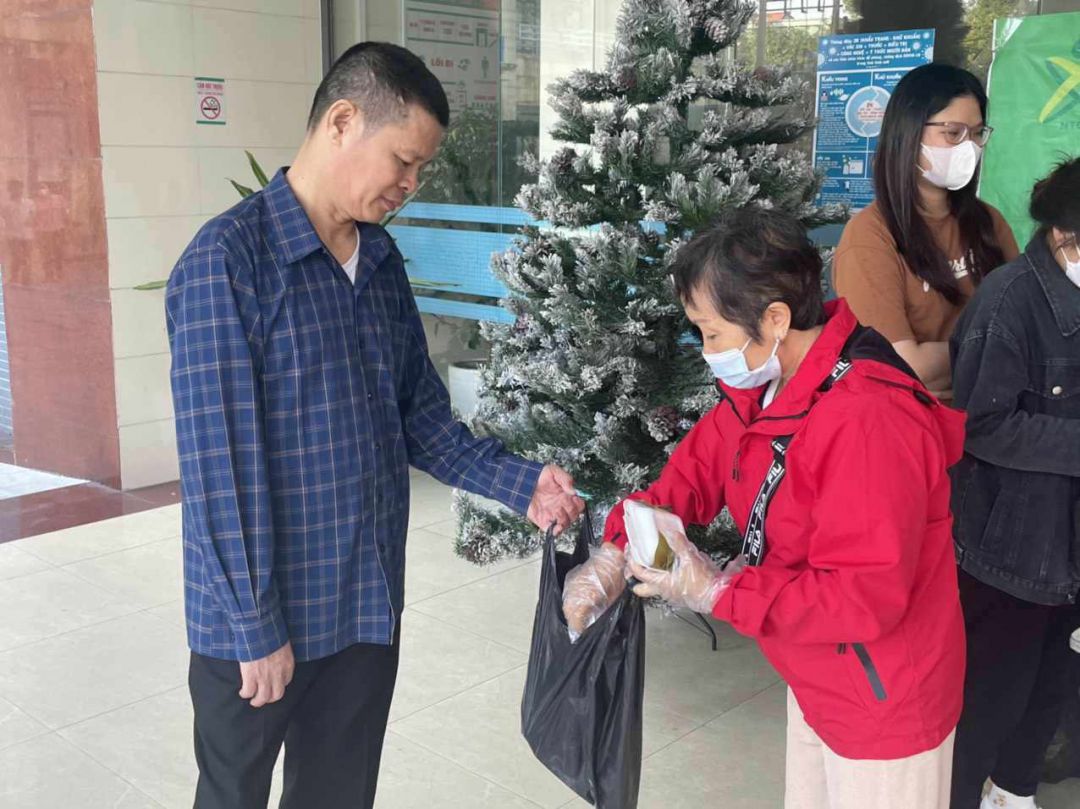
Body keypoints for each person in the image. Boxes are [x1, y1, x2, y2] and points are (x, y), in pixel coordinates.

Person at [166, 42, 585, 809]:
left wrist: (522, 484)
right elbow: (219, 470)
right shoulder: (227, 263)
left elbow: (422, 417)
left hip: (363, 605)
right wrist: (255, 625)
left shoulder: (381, 260)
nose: (410, 185)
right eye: (403, 160)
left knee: (339, 794)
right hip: (261, 619)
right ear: (341, 121)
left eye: (421, 168)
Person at [563, 208, 967, 808]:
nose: (707, 351)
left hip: (883, 693)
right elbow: (690, 477)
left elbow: (861, 596)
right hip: (815, 668)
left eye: (711, 332)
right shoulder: (770, 385)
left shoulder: (869, 418)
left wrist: (719, 592)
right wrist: (616, 553)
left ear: (775, 318)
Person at [947, 157, 1080, 809]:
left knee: (1053, 686)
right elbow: (983, 425)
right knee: (992, 695)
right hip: (1011, 547)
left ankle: (1014, 790)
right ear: (1063, 234)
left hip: (1071, 547)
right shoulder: (1009, 302)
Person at [833, 64, 1019, 400]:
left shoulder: (989, 222)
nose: (969, 147)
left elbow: (1028, 330)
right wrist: (994, 350)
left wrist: (943, 358)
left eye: (977, 133)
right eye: (953, 133)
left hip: (997, 412)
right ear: (910, 132)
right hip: (918, 419)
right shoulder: (871, 235)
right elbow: (900, 366)